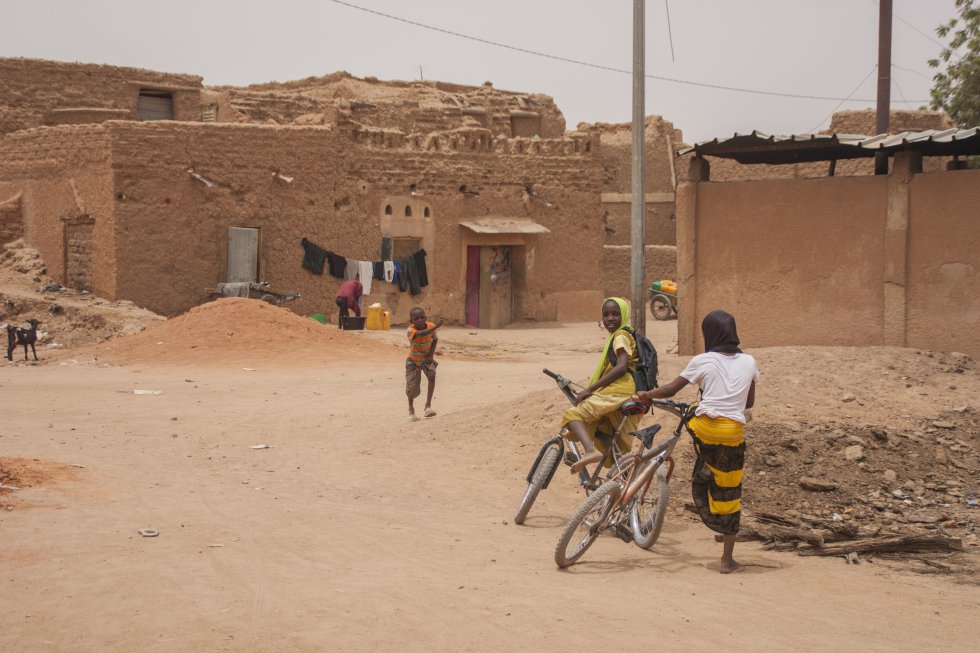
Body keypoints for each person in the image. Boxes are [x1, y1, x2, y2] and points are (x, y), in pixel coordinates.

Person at [635, 310, 758, 574]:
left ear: (709, 334)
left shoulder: (703, 360)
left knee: (690, 414)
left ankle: (671, 456)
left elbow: (669, 390)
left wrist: (646, 395)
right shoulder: (749, 362)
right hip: (732, 432)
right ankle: (727, 560)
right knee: (730, 489)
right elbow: (748, 403)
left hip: (704, 428)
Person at [563, 297, 642, 473]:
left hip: (621, 389)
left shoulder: (621, 336)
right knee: (607, 435)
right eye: (605, 315)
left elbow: (621, 367)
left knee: (574, 415)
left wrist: (590, 389)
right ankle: (625, 486)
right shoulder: (627, 334)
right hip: (628, 390)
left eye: (615, 314)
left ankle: (590, 451)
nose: (610, 318)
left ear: (625, 315)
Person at [406, 306, 443, 421]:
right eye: (416, 319)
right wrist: (437, 326)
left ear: (426, 318)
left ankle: (428, 406)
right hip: (413, 361)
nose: (420, 320)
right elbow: (421, 334)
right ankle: (411, 409)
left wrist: (431, 355)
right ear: (411, 321)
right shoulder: (410, 330)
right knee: (412, 388)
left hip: (426, 358)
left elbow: (435, 339)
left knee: (432, 376)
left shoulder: (431, 326)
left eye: (422, 318)